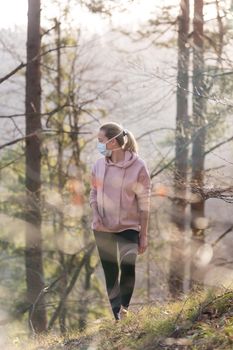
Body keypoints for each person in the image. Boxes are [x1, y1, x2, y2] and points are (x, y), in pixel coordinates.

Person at [89, 122, 151, 321]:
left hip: (129, 227)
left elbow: (144, 204)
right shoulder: (98, 165)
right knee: (110, 271)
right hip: (102, 228)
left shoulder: (139, 166)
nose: (98, 144)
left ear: (113, 142)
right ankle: (118, 316)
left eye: (100, 140)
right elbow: (93, 192)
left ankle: (124, 309)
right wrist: (96, 214)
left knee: (127, 268)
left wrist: (143, 235)